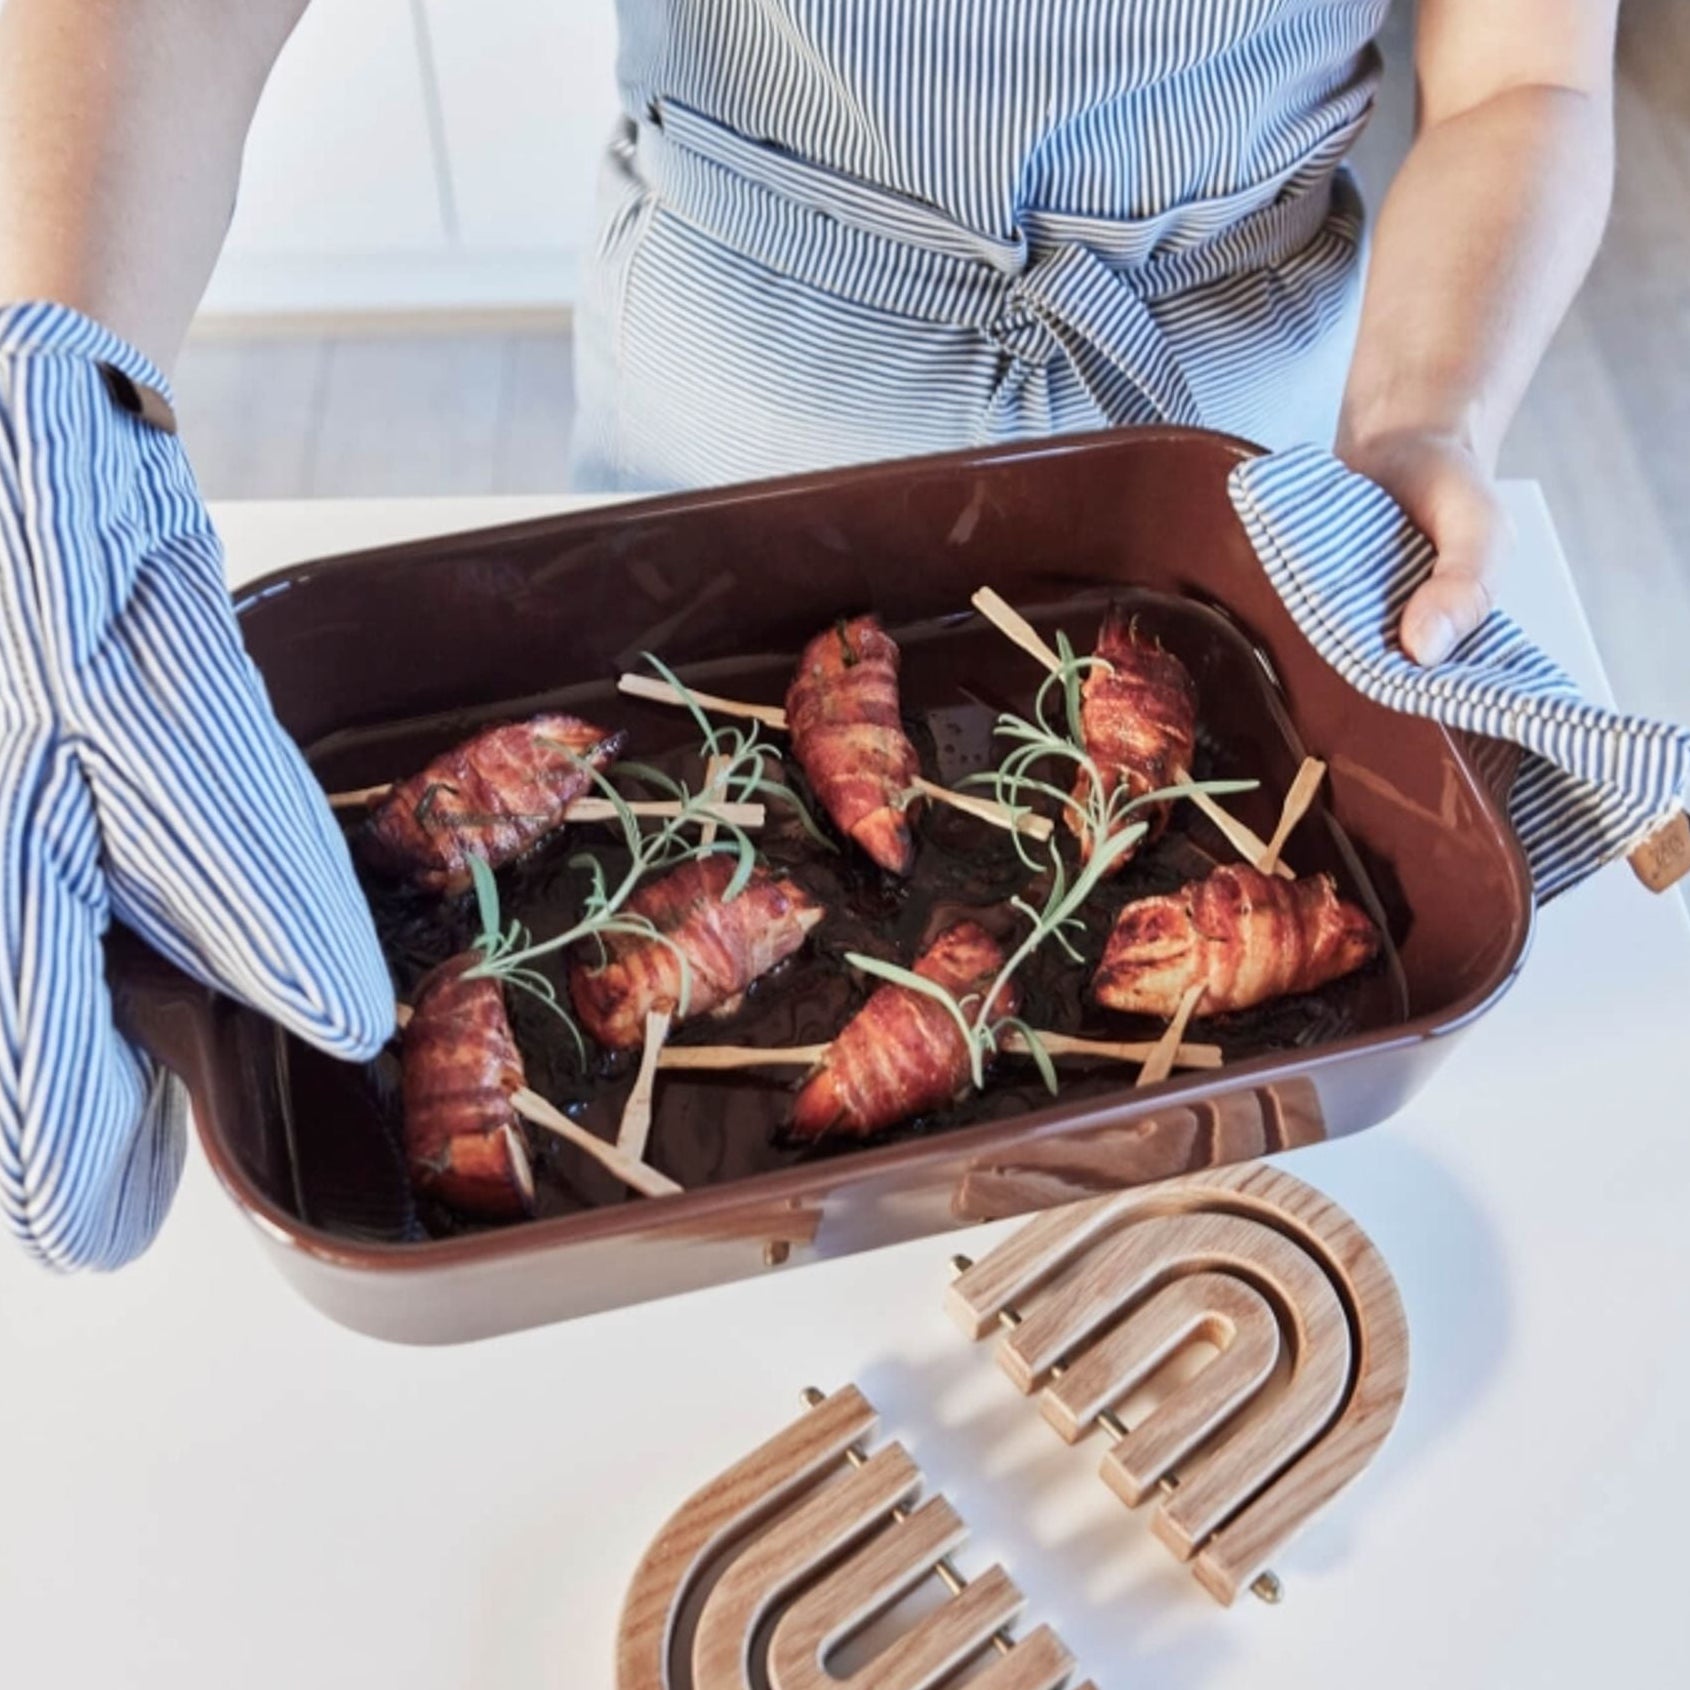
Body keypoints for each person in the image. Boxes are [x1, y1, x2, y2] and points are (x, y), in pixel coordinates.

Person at [0, 0, 1619, 1268]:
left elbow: (1521, 81)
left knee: (1151, 1223)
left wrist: (1426, 416)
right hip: (715, 445)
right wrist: (53, 400)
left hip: (1219, 472)